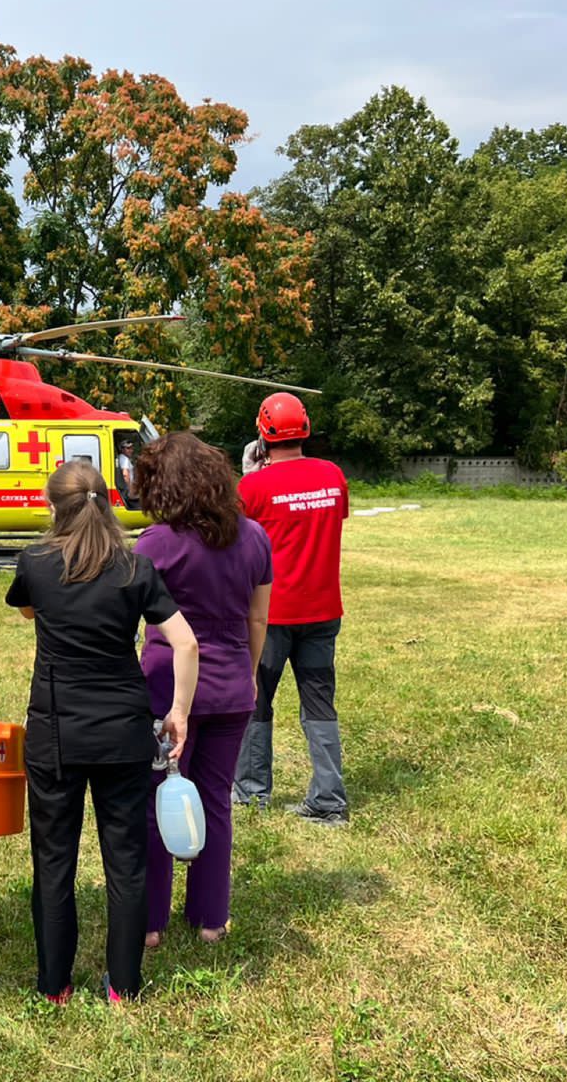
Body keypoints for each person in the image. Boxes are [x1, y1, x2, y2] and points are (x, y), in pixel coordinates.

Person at [5, 460, 198, 1004]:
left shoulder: (36, 563)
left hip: (56, 735)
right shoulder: (136, 569)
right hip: (123, 735)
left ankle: (55, 985)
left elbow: (25, 610)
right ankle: (124, 988)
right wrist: (178, 710)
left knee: (53, 862)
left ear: (52, 508)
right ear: (110, 505)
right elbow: (185, 642)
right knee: (127, 861)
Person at [132, 433, 272, 945]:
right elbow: (259, 616)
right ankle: (211, 919)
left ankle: (150, 922)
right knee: (216, 800)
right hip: (232, 681)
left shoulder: (155, 544)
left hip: (166, 687)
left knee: (154, 801)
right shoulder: (255, 537)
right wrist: (250, 671)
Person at [233, 393, 350, 825]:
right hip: (323, 611)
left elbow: (236, 538)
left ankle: (251, 792)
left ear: (262, 434)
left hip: (270, 615)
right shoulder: (333, 475)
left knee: (256, 700)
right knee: (320, 704)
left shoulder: (253, 487)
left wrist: (251, 478)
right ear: (306, 428)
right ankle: (329, 800)